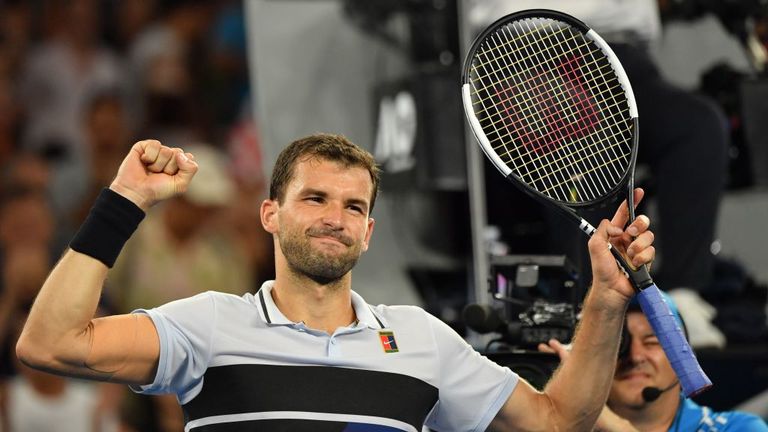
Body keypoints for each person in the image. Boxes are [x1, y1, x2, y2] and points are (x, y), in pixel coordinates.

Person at [16, 134, 656, 431]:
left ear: (369, 231)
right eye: (314, 198)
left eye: (353, 207)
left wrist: (604, 298)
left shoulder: (421, 340)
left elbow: (559, 422)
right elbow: (50, 343)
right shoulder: (208, 324)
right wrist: (125, 199)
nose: (334, 219)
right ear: (270, 214)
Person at [470, 0, 730, 349]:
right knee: (593, 146)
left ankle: (680, 295)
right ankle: (587, 311)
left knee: (697, 127)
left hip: (622, 55)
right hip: (530, 50)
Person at [539, 292, 768, 431]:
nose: (635, 356)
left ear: (685, 358)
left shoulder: (737, 428)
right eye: (619, 345)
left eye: (652, 342)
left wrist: (606, 421)